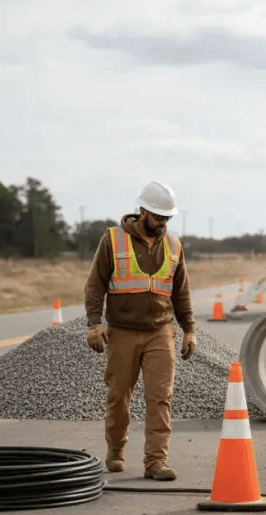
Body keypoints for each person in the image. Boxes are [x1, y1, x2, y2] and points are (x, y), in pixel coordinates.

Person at [84, 181, 196, 481]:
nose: (163, 223)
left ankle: (156, 462)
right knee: (119, 397)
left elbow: (180, 291)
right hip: (121, 332)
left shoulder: (173, 245)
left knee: (160, 398)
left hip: (161, 332)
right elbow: (95, 285)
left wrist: (189, 329)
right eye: (159, 217)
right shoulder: (112, 240)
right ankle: (116, 449)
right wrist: (95, 324)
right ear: (143, 210)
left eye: (167, 218)